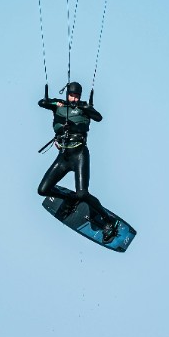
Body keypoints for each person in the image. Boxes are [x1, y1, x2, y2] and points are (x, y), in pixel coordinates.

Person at [37, 80, 118, 243]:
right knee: (43, 190)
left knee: (82, 193)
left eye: (76, 96)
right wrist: (52, 102)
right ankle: (70, 199)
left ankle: (109, 221)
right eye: (71, 95)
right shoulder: (59, 106)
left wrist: (87, 108)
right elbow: (42, 102)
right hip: (64, 157)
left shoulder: (83, 109)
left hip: (79, 154)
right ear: (67, 94)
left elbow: (99, 117)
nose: (74, 98)